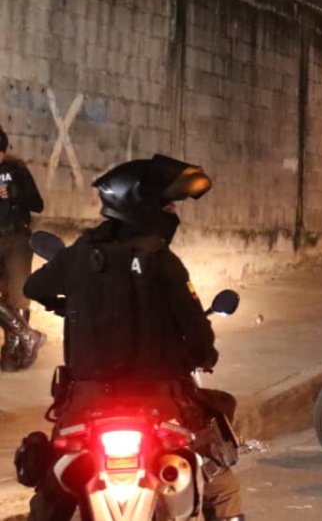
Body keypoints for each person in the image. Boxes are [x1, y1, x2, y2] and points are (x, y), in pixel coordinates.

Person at [22, 154, 244, 520]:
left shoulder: (81, 253)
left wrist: (65, 303)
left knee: (53, 483)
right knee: (218, 475)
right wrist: (204, 356)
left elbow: (34, 286)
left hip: (84, 404)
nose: (173, 212)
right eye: (168, 205)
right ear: (142, 206)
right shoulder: (161, 260)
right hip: (162, 403)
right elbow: (197, 331)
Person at [0, 127, 46, 372]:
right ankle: (28, 336)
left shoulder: (17, 171)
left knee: (18, 294)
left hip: (16, 237)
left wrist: (16, 196)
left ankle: (14, 347)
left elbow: (38, 204)